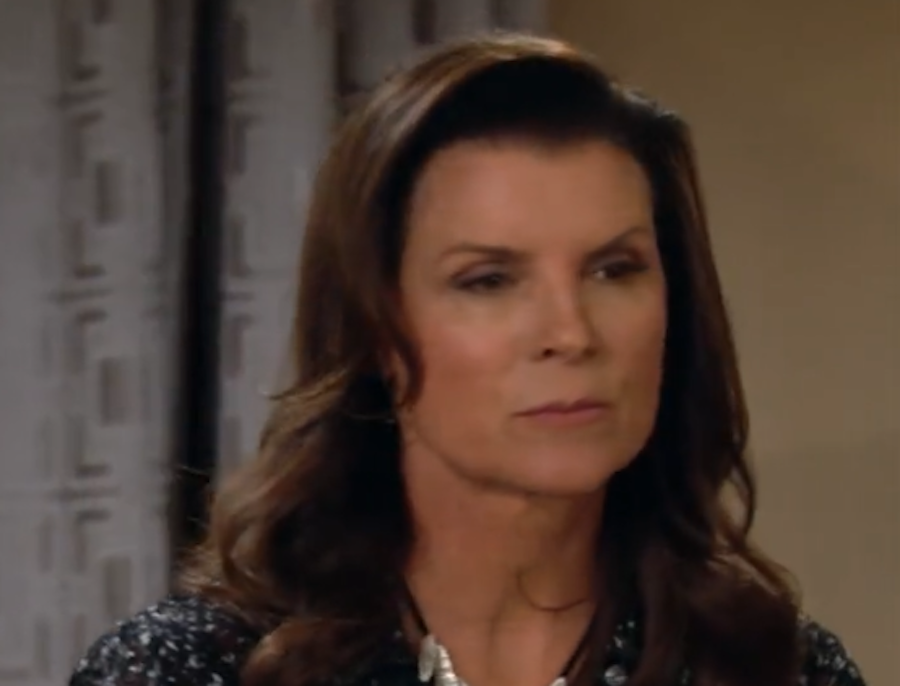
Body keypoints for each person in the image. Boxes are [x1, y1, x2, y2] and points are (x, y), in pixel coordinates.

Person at [69, 33, 866, 686]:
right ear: (376, 328)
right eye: (488, 280)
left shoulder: (776, 666)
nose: (571, 333)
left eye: (613, 269)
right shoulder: (191, 669)